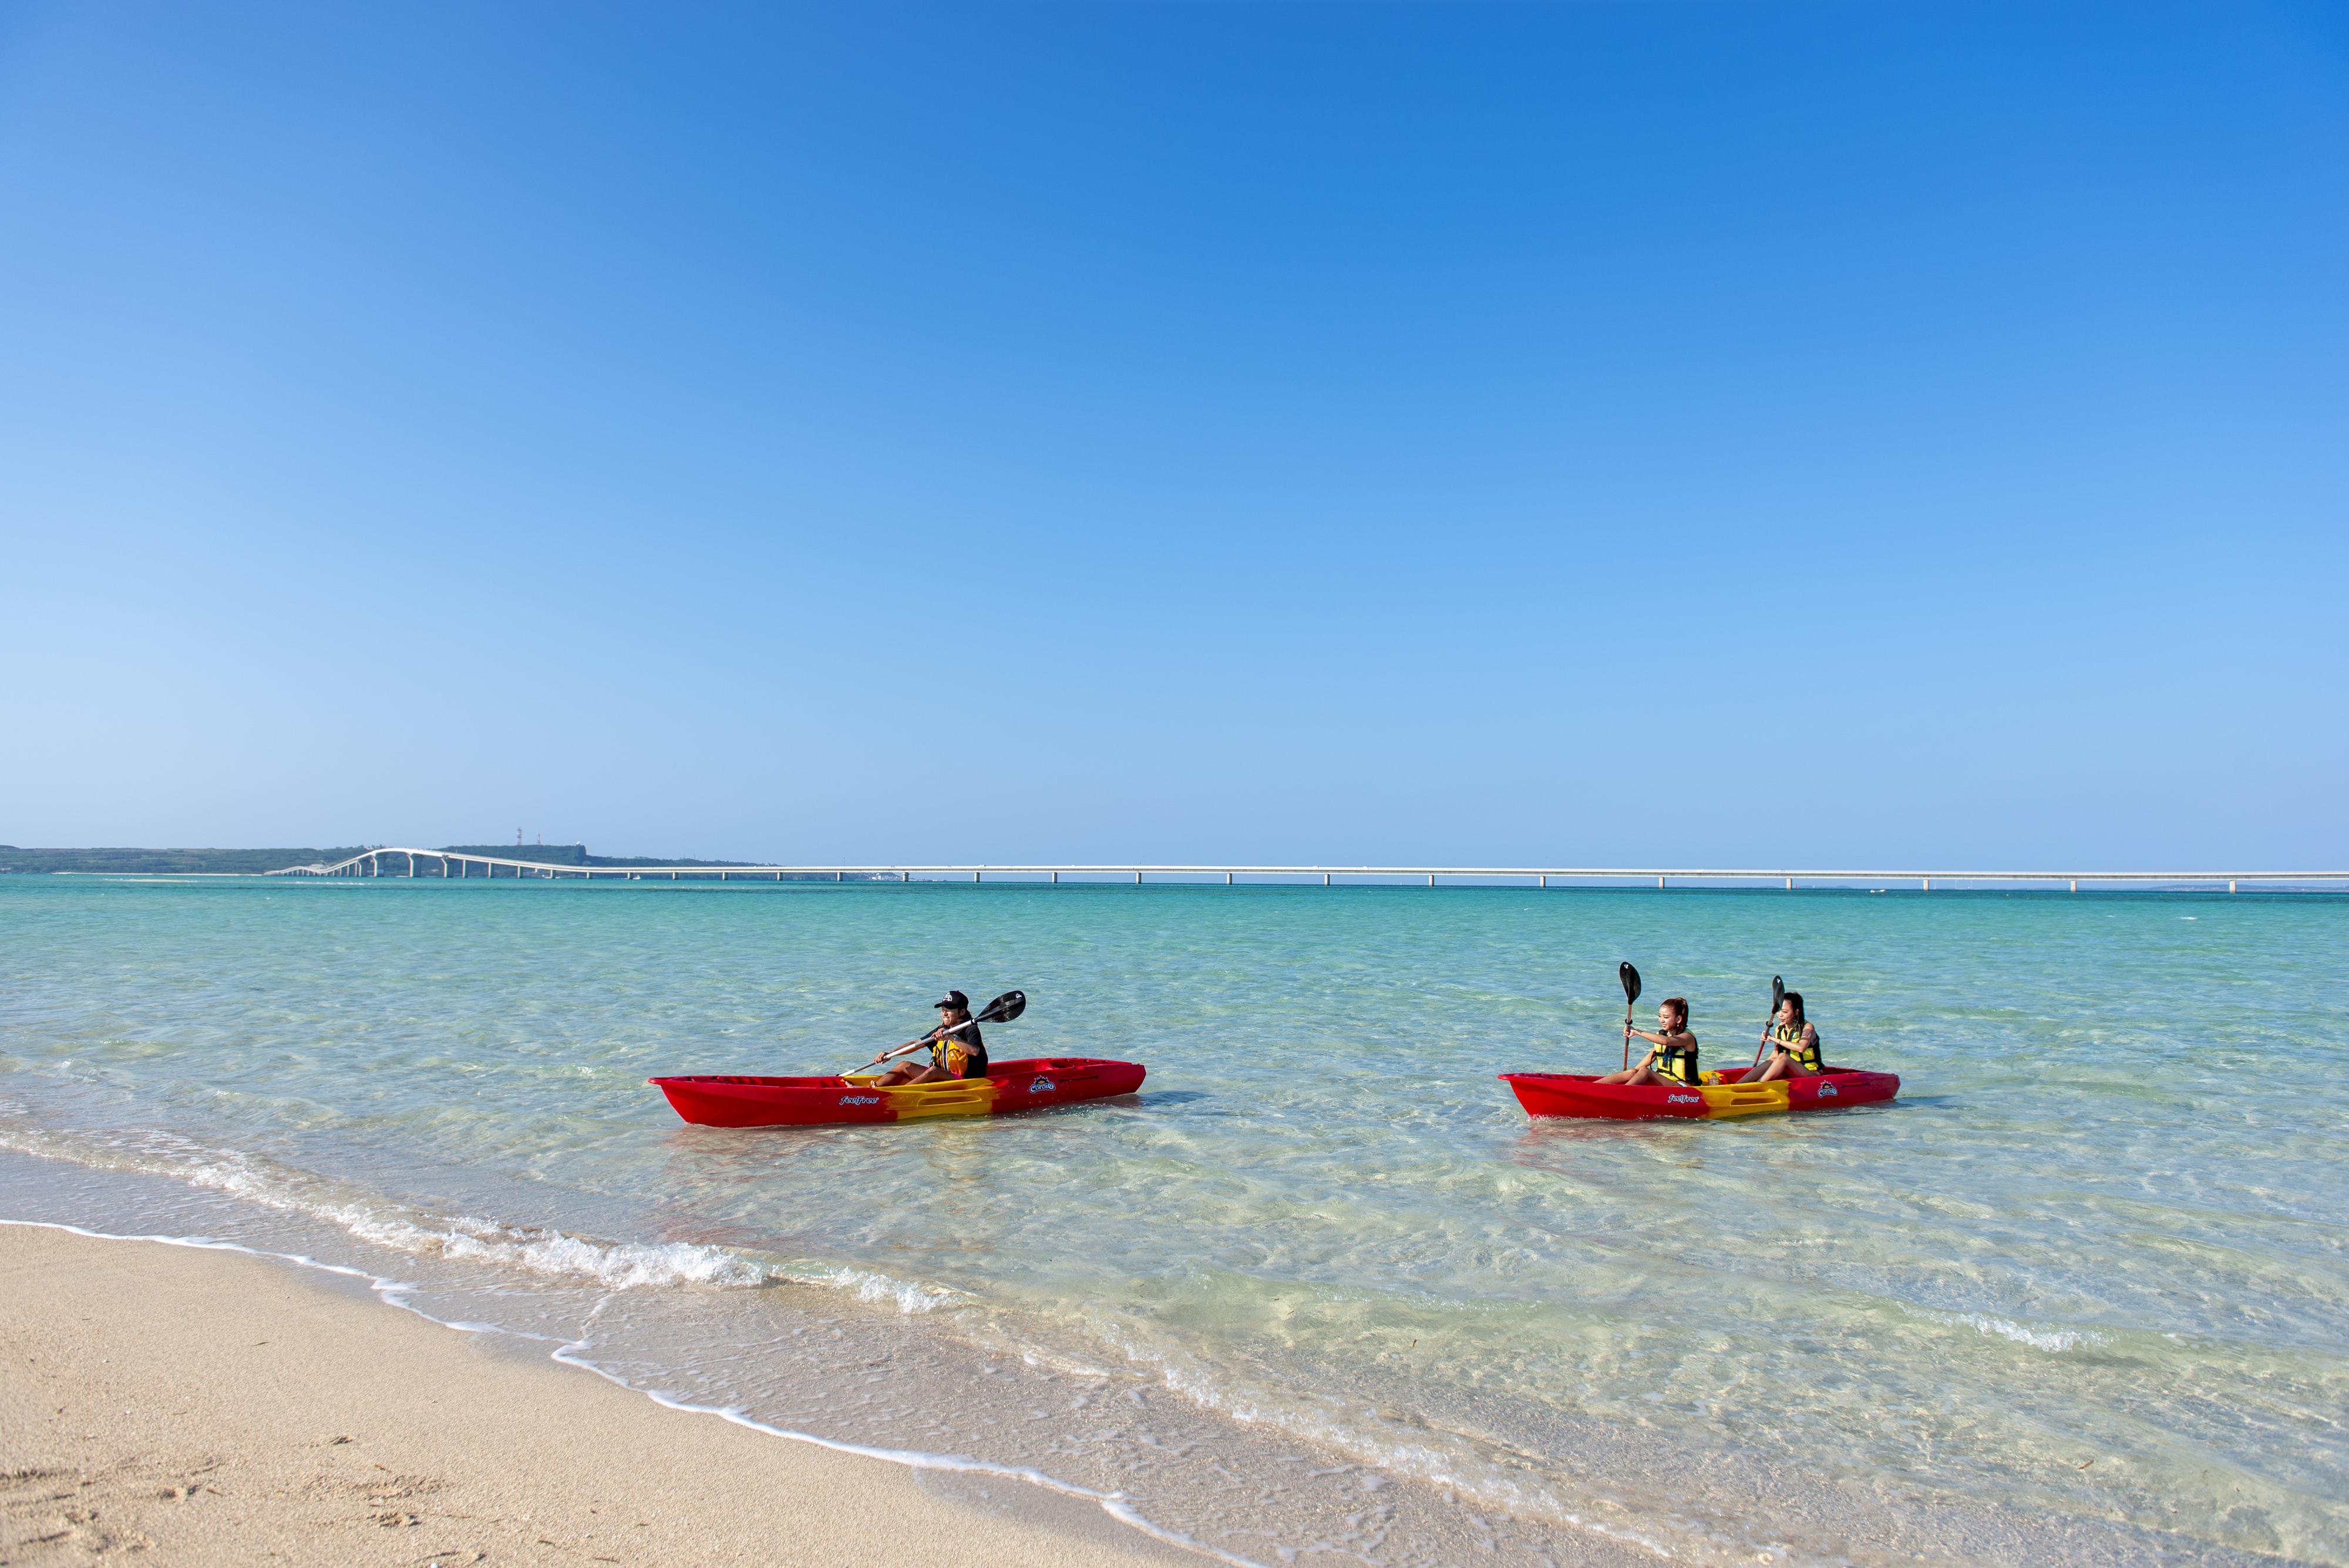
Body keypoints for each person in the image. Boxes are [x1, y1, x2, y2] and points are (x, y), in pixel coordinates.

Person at [876, 991, 990, 1085]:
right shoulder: (941, 1029)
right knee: (903, 1065)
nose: (945, 1013)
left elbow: (975, 1051)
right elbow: (917, 1043)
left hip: (965, 1081)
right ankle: (873, 1090)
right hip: (943, 1077)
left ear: (962, 1012)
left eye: (949, 1010)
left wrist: (951, 1037)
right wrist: (891, 1053)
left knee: (934, 1070)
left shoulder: (970, 1029)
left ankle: (898, 1093)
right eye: (943, 1010)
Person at [1601, 997, 1699, 1086]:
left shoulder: (1687, 1037)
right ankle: (1591, 1087)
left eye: (1666, 1017)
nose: (1662, 1020)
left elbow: (1666, 1041)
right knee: (1633, 1071)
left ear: (1678, 1019)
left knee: (1645, 1071)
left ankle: (1621, 1092)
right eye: (1660, 1016)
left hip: (1684, 1087)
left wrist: (1637, 1032)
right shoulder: (1663, 1034)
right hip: (1665, 1082)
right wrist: (1634, 1073)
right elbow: (1651, 1056)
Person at [1748, 991, 1822, 1083]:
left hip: (1812, 1074)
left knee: (1783, 1057)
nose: (1780, 1015)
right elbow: (1776, 1054)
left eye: (1785, 1012)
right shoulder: (1779, 1029)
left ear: (1796, 1012)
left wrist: (1773, 1039)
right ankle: (1738, 1085)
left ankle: (1757, 1085)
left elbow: (1801, 1048)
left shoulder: (1807, 1027)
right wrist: (1761, 1069)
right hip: (1789, 1072)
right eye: (1779, 1011)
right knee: (1773, 1059)